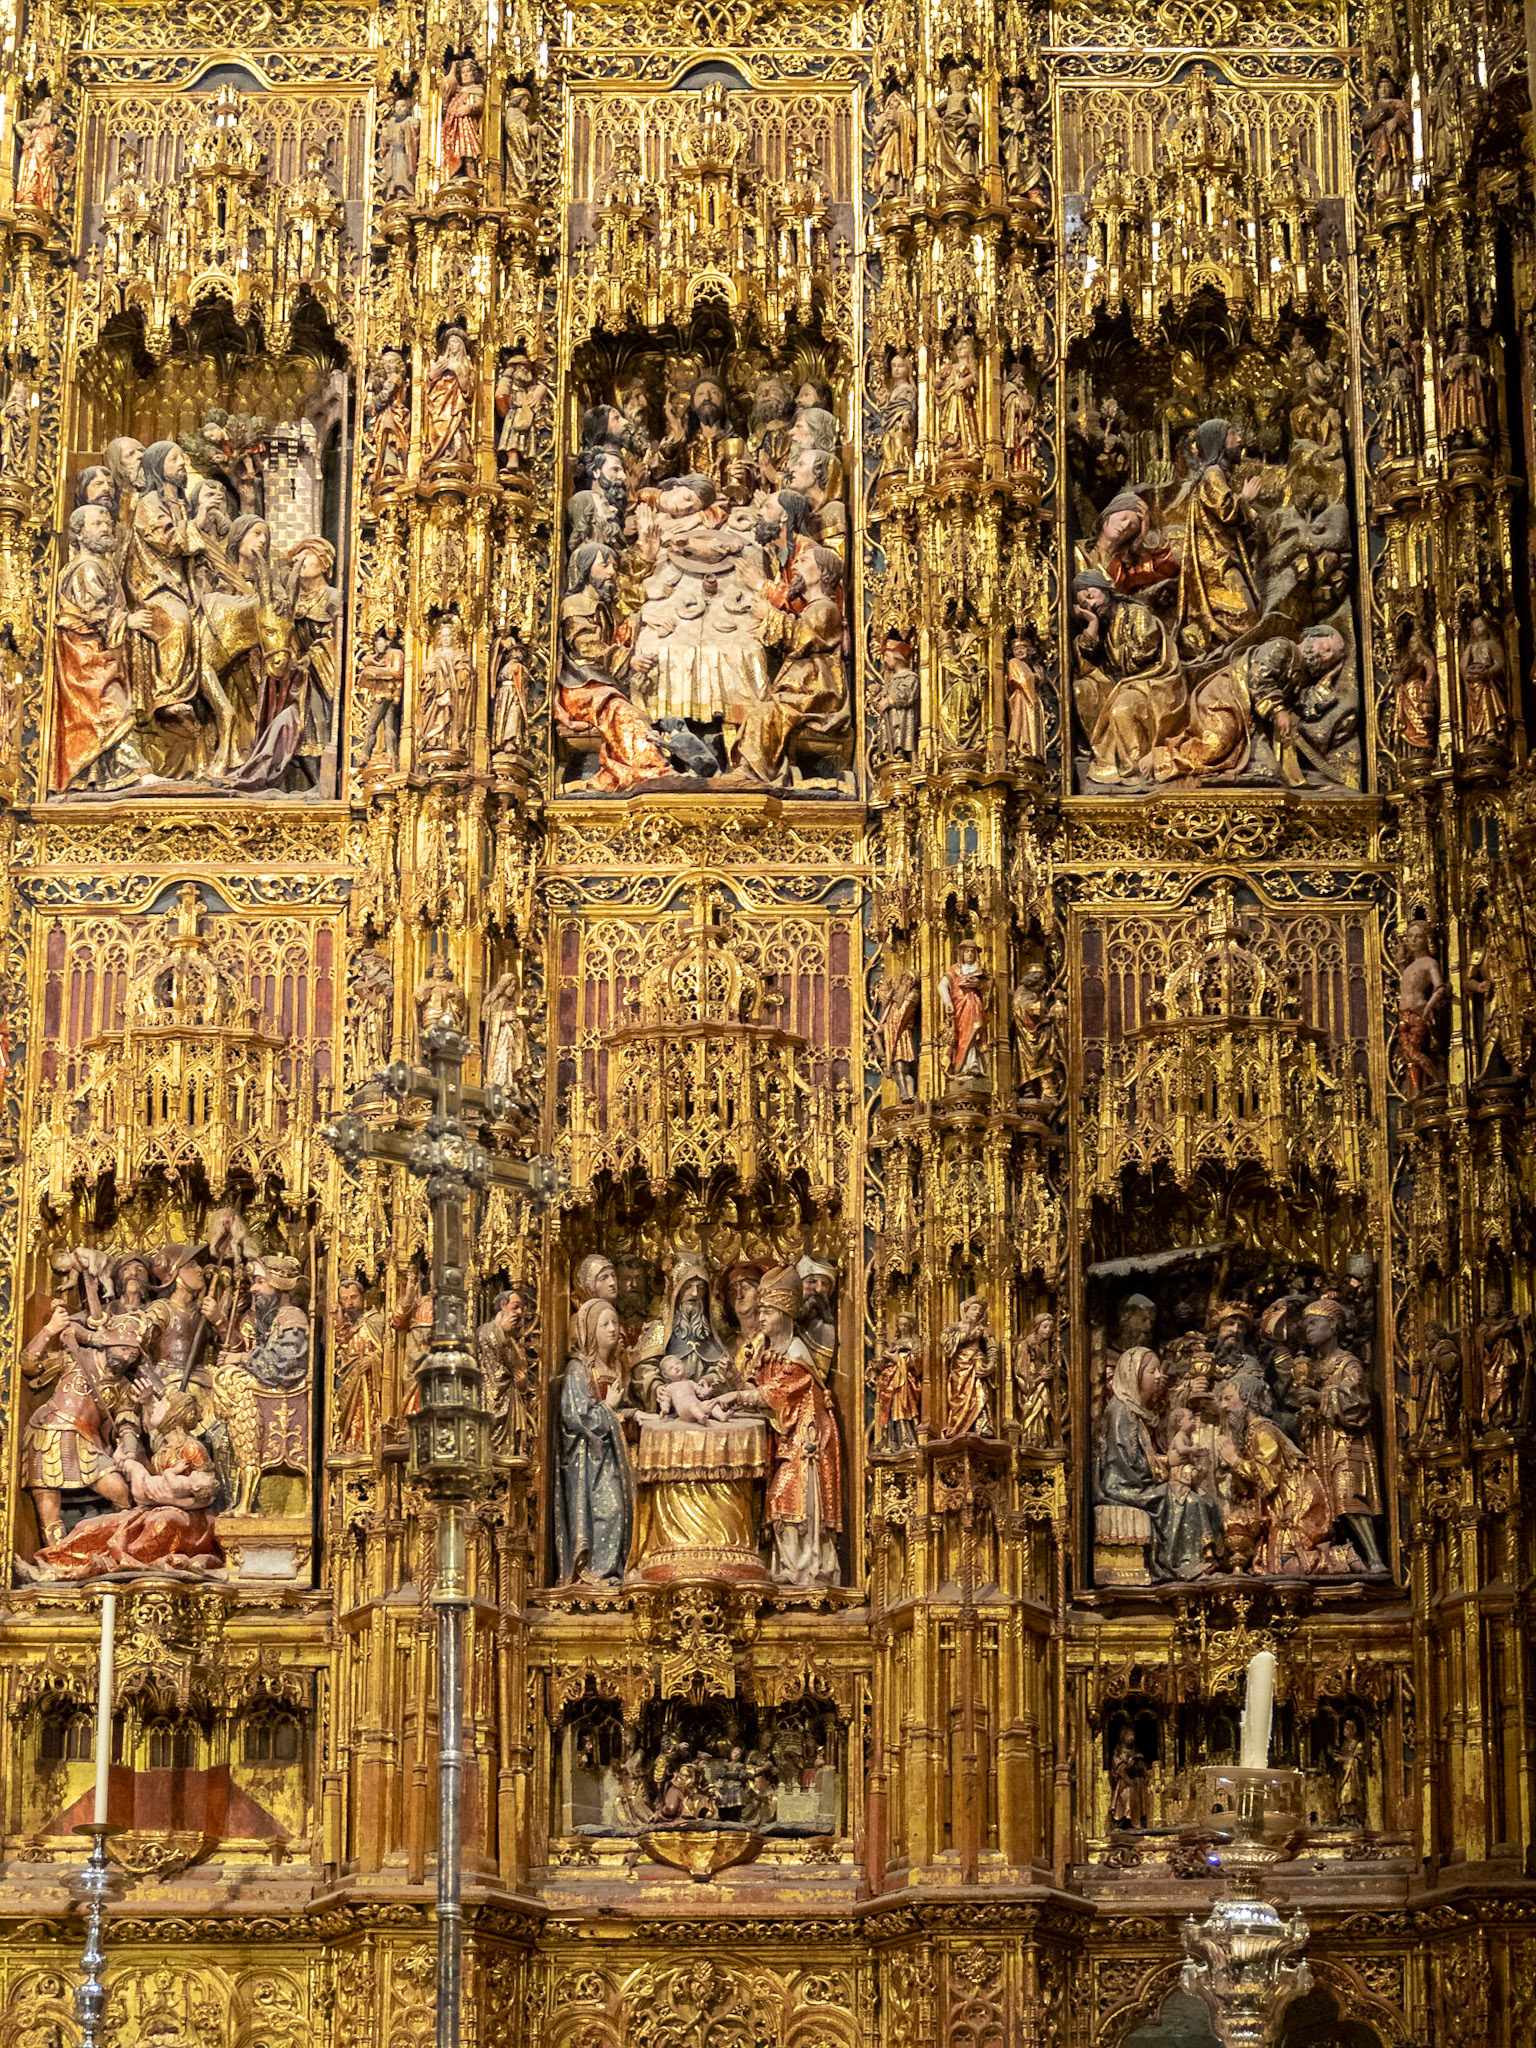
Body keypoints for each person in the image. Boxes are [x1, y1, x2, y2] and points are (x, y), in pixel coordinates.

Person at [740, 1268, 841, 1588]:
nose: (761, 1320)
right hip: (785, 1440)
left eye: (767, 1312)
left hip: (806, 1443)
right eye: (759, 1313)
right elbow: (753, 1383)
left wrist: (737, 1396)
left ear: (784, 1314)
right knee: (777, 1499)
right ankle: (789, 1564)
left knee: (791, 1497)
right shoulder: (767, 1351)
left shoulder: (796, 1355)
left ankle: (806, 1567)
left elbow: (777, 1393)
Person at [1070, 571, 1186, 784]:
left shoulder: (1137, 614)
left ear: (1104, 589)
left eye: (1089, 594)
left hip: (1154, 681)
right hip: (1124, 685)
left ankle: (1135, 771)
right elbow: (1085, 660)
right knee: (1081, 691)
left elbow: (1142, 655)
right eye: (1082, 603)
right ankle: (1106, 758)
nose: (1089, 603)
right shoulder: (1102, 627)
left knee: (1121, 709)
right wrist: (1093, 624)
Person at [554, 1297, 633, 1587]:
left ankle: (615, 1569)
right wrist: (609, 1408)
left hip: (612, 1452)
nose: (613, 1329)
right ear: (589, 1330)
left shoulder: (614, 1366)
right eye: (605, 1324)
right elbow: (576, 1419)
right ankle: (596, 1571)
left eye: (615, 1322)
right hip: (589, 1459)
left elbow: (614, 1410)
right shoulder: (578, 1370)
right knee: (607, 1510)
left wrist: (632, 1412)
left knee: (622, 1509)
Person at [1175, 419, 1263, 660]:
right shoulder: (1213, 474)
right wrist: (1245, 498)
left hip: (1223, 555)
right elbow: (1226, 510)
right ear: (1218, 442)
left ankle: (1227, 655)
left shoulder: (1219, 475)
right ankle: (1223, 656)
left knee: (1247, 614)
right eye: (1232, 435)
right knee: (1244, 615)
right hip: (1216, 560)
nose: (1239, 440)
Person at [941, 1296, 998, 1438]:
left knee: (980, 1392)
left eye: (980, 1310)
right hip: (960, 1366)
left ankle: (982, 1424)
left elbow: (992, 1348)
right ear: (966, 1311)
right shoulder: (955, 1327)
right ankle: (959, 1426)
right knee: (961, 1396)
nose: (977, 1312)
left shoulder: (984, 1330)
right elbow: (944, 1341)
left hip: (977, 1364)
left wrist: (991, 1364)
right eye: (974, 1309)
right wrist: (965, 1335)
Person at [939, 939, 989, 1079]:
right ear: (961, 953)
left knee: (974, 1034)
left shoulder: (980, 971)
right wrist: (948, 1002)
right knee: (962, 1036)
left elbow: (990, 990)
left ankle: (973, 1064)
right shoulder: (955, 970)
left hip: (975, 1008)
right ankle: (962, 1066)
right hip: (960, 1008)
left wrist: (980, 985)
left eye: (972, 952)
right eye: (967, 951)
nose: (970, 954)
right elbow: (942, 985)